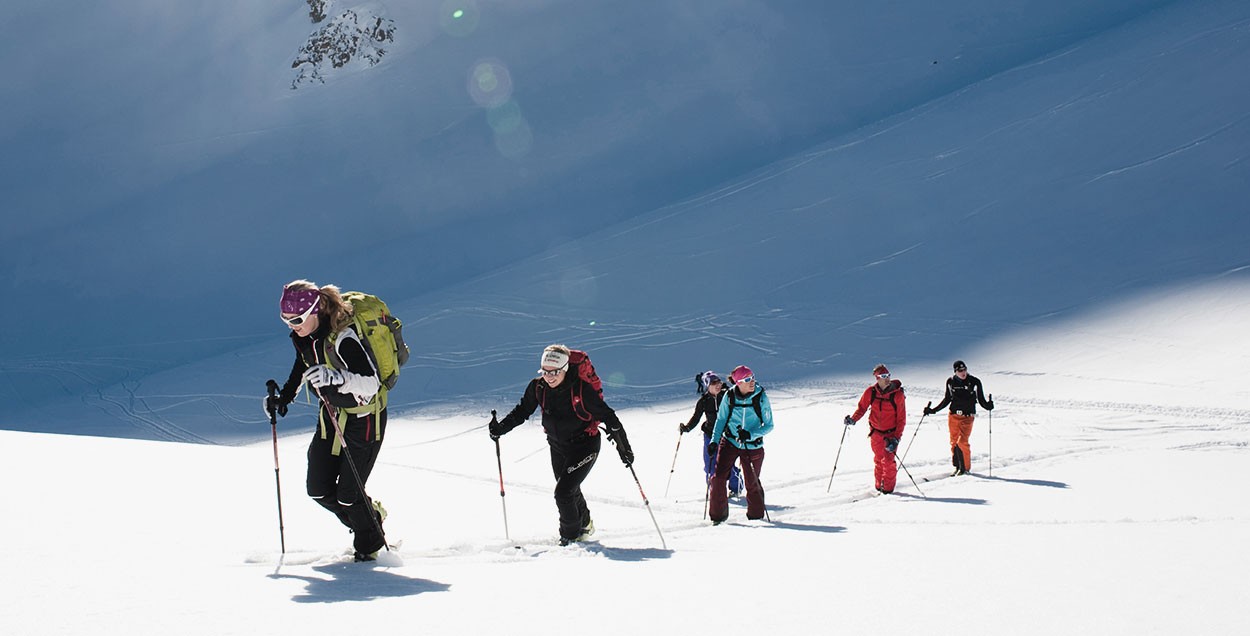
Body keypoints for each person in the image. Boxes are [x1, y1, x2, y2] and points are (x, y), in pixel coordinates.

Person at [264, 280, 389, 561]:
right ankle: (370, 518)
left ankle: (369, 549)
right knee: (318, 489)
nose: (291, 326)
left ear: (315, 311)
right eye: (285, 321)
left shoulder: (343, 338)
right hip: (331, 416)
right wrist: (284, 398)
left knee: (348, 494)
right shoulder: (305, 337)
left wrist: (338, 378)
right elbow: (303, 364)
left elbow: (372, 383)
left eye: (296, 319)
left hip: (364, 418)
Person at [489, 344, 634, 546]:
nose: (549, 376)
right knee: (569, 489)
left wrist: (624, 448)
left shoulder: (582, 390)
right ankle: (584, 524)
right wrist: (500, 428)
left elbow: (609, 417)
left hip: (585, 446)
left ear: (565, 368)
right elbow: (522, 410)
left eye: (554, 372)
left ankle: (570, 537)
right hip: (557, 446)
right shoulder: (538, 387)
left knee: (563, 493)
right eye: (545, 371)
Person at [707, 365, 774, 523]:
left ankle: (756, 518)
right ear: (738, 383)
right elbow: (721, 420)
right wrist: (714, 442)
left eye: (753, 377)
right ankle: (718, 517)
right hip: (730, 441)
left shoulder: (760, 396)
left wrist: (750, 434)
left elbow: (769, 425)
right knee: (718, 478)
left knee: (752, 482)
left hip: (752, 445)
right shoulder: (729, 396)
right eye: (747, 379)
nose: (752, 382)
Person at [924, 360, 994, 476]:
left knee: (962, 441)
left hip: (968, 417)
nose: (963, 373)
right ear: (955, 371)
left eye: (964, 369)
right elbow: (947, 399)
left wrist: (988, 406)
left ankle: (965, 468)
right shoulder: (950, 382)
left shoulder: (974, 382)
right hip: (953, 415)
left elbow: (981, 400)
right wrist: (933, 410)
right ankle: (957, 467)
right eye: (960, 371)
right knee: (954, 442)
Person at [844, 364, 906, 494]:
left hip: (891, 435)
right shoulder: (871, 392)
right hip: (875, 433)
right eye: (884, 376)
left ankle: (888, 491)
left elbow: (901, 419)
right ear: (877, 378)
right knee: (878, 460)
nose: (887, 378)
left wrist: (896, 439)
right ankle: (879, 486)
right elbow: (862, 408)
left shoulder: (897, 395)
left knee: (888, 462)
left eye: (888, 375)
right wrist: (853, 419)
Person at [680, 371, 742, 496]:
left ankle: (736, 488)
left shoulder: (726, 396)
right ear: (708, 385)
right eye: (714, 383)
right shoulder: (703, 401)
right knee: (709, 464)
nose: (718, 385)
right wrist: (687, 428)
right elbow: (696, 417)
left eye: (719, 382)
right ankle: (714, 491)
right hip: (709, 435)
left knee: (727, 463)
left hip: (726, 436)